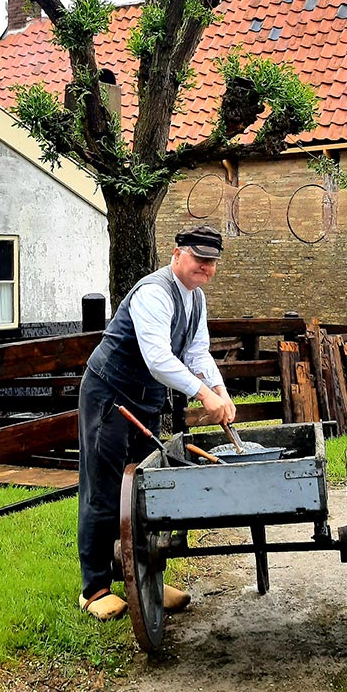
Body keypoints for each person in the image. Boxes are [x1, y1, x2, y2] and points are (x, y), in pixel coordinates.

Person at [76, 225, 237, 620]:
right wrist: (203, 395)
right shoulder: (153, 292)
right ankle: (94, 589)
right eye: (199, 258)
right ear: (177, 253)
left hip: (145, 401)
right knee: (104, 488)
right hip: (109, 395)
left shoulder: (196, 299)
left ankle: (145, 577)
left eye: (212, 261)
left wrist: (220, 389)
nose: (205, 267)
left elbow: (198, 352)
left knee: (147, 488)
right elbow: (159, 358)